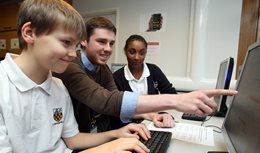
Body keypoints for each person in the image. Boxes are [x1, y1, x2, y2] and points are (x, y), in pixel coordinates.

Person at [0, 1, 152, 153]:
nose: (73, 54)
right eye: (66, 42)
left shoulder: (58, 85)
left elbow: (73, 139)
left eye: (75, 45)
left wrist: (116, 134)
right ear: (29, 33)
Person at [53, 16, 237, 132]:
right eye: (101, 42)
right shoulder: (70, 66)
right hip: (81, 138)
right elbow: (106, 101)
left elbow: (114, 96)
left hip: (98, 133)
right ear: (83, 41)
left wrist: (151, 115)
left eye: (111, 43)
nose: (108, 49)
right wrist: (176, 101)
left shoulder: (103, 68)